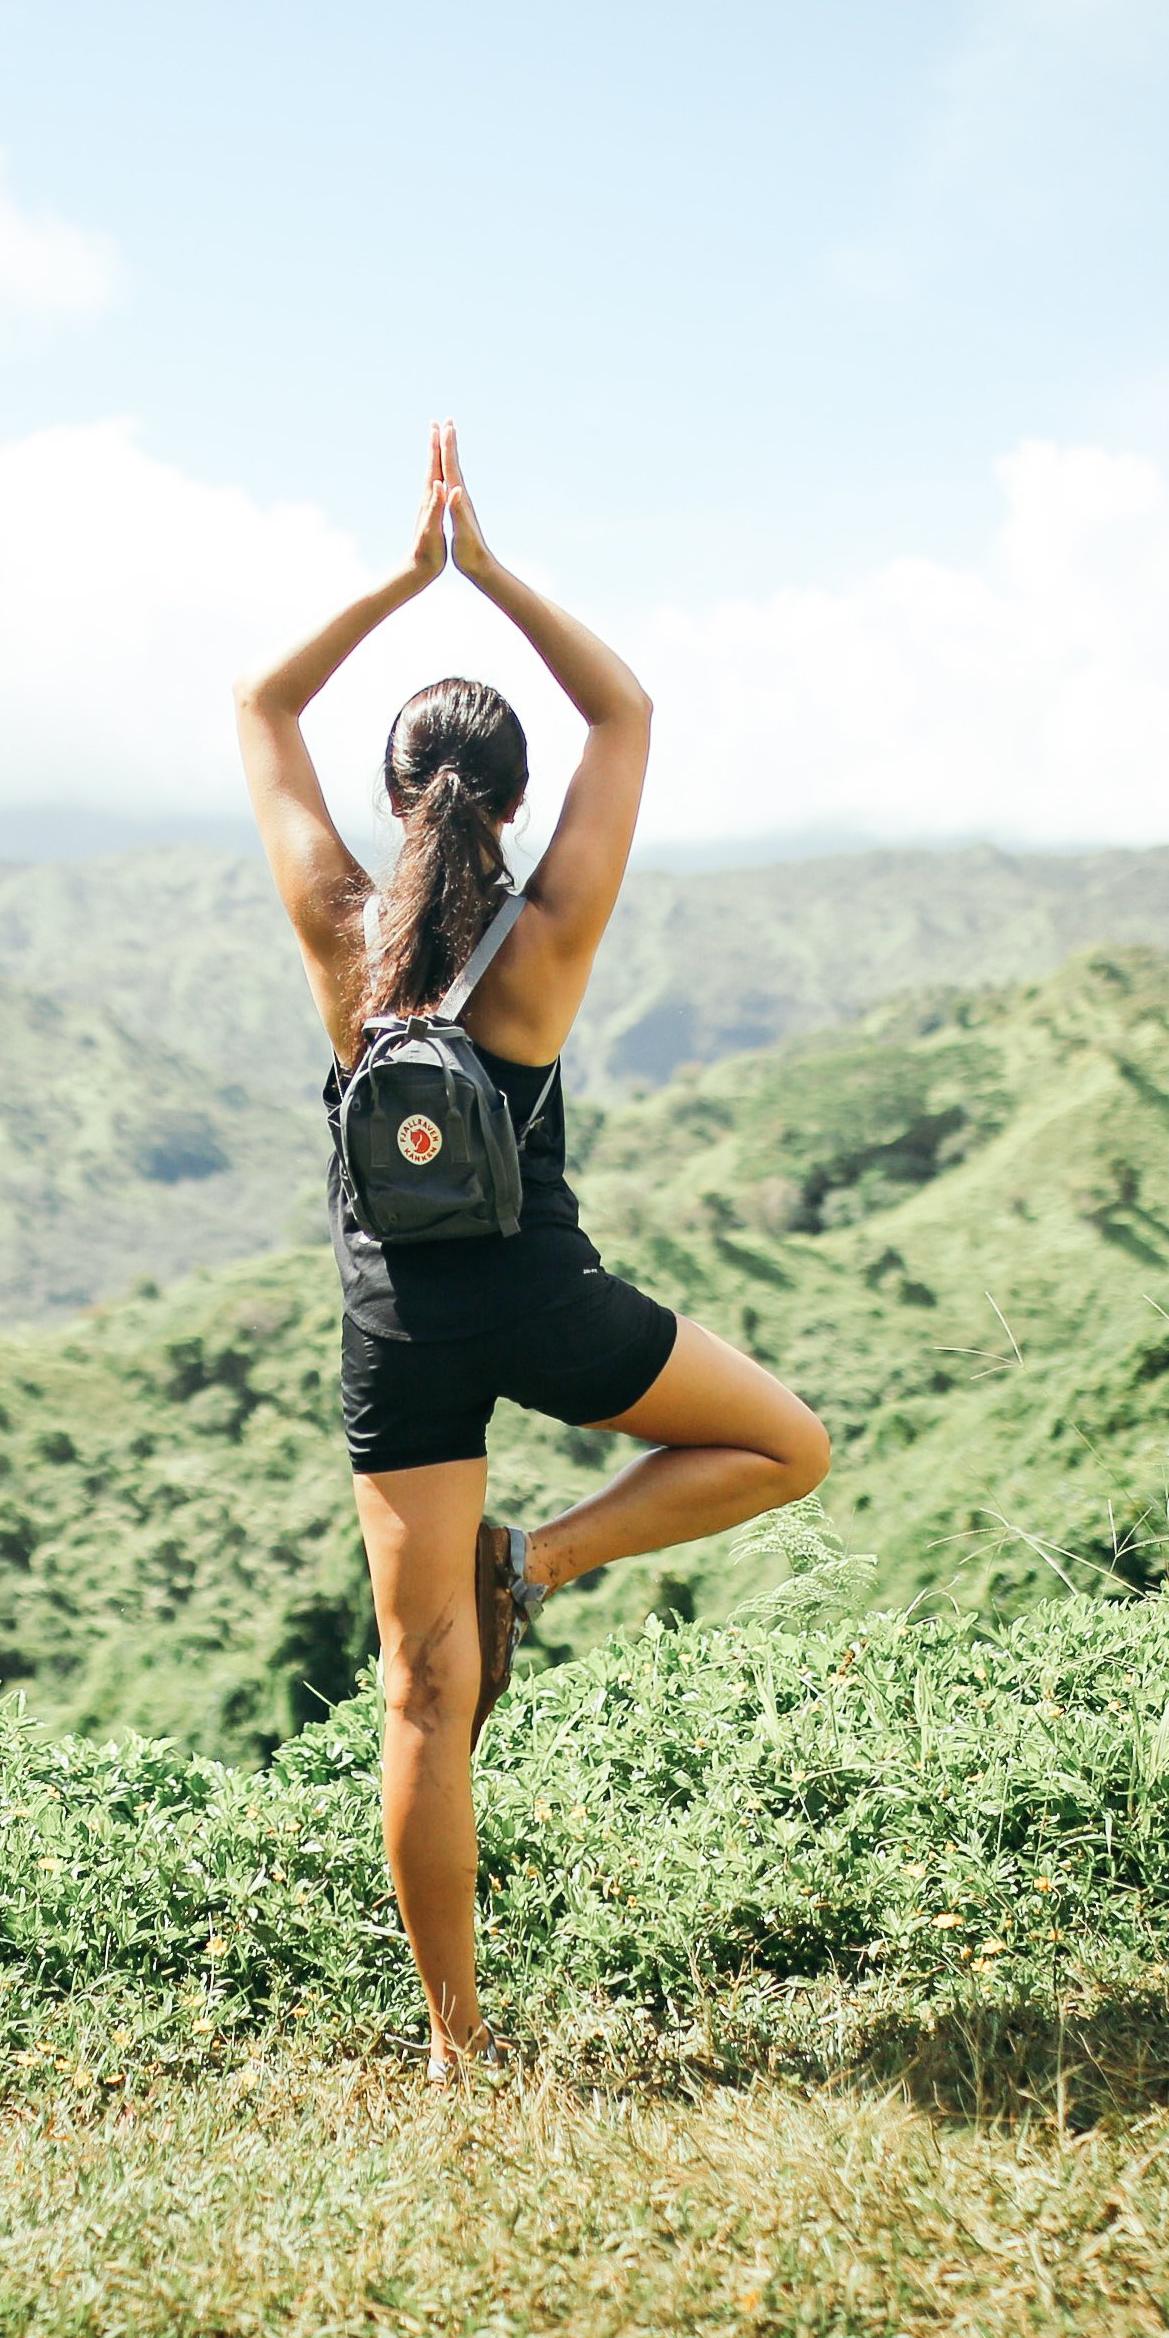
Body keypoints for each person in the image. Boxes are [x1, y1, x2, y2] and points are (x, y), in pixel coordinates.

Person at [231, 422, 832, 2078]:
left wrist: (400, 574)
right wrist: (488, 572)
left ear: (393, 799)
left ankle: (454, 2051)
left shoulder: (336, 929)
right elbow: (625, 710)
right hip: (543, 1301)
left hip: (395, 1332)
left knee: (421, 1697)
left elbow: (261, 708)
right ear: (505, 805)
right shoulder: (547, 939)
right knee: (786, 1443)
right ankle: (544, 1562)